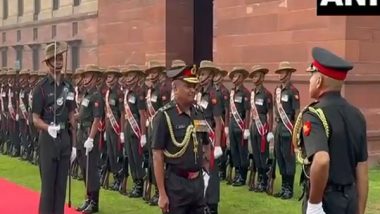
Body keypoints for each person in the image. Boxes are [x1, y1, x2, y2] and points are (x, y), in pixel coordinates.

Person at [293, 47, 368, 214]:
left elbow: (321, 160)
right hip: (350, 199)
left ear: (319, 81)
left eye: (312, 75)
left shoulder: (314, 115)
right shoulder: (357, 115)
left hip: (326, 201)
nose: (310, 80)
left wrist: (314, 205)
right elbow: (362, 168)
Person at [152, 65, 210, 214]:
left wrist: (207, 174)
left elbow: (205, 144)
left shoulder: (198, 114)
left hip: (197, 182)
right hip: (176, 183)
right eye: (188, 86)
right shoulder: (164, 116)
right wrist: (162, 194)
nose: (193, 90)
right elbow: (157, 155)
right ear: (175, 88)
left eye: (194, 86)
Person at [31, 42, 77, 214]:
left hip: (64, 137)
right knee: (48, 187)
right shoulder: (40, 88)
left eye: (60, 58)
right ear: (48, 62)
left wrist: (73, 145)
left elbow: (72, 116)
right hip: (48, 140)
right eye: (55, 58)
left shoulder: (69, 87)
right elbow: (35, 118)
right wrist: (47, 127)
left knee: (61, 187)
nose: (59, 61)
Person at [75, 65, 105, 213]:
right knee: (83, 168)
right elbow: (81, 115)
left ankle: (94, 202)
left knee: (91, 169)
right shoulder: (86, 95)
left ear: (95, 78)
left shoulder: (96, 96)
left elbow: (97, 119)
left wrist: (91, 138)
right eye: (84, 77)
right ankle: (88, 198)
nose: (85, 80)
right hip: (81, 133)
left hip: (89, 133)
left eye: (88, 77)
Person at [196, 60, 223, 214]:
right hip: (201, 135)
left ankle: (212, 206)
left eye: (204, 73)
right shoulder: (200, 93)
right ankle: (203, 201)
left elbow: (218, 121)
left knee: (212, 171)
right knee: (202, 169)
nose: (201, 76)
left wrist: (218, 144)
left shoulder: (215, 94)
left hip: (211, 138)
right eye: (200, 73)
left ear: (211, 75)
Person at [273, 61, 300, 199]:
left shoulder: (293, 91)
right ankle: (283, 186)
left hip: (288, 127)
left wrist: (295, 132)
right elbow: (274, 109)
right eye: (279, 72)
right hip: (278, 127)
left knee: (288, 158)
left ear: (289, 74)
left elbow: (297, 112)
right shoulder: (277, 90)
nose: (280, 75)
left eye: (283, 72)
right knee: (280, 157)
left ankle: (289, 188)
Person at [120, 64, 147, 198]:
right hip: (127, 128)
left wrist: (143, 134)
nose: (129, 78)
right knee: (130, 158)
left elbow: (142, 114)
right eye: (128, 75)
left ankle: (140, 185)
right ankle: (136, 181)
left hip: (136, 129)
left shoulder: (139, 92)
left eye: (131, 75)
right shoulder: (127, 93)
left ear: (137, 77)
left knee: (137, 158)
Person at [144, 60, 168, 204]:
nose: (152, 75)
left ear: (159, 73)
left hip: (159, 128)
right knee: (151, 160)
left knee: (159, 160)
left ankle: (160, 192)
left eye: (154, 72)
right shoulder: (151, 90)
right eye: (150, 73)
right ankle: (155, 190)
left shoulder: (163, 90)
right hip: (151, 128)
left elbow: (165, 112)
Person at [247, 65, 273, 192]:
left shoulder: (267, 94)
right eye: (253, 76)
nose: (254, 78)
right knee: (256, 153)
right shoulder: (252, 93)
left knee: (263, 154)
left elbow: (271, 113)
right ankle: (258, 179)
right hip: (253, 125)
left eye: (256, 76)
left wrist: (271, 131)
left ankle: (264, 181)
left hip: (262, 125)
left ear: (262, 78)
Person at [227, 67, 251, 187]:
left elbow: (247, 111)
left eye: (237, 76)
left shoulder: (246, 92)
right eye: (233, 76)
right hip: (232, 124)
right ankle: (237, 173)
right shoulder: (232, 92)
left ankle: (242, 175)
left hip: (241, 125)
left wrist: (246, 128)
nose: (234, 79)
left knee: (242, 151)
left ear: (241, 78)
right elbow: (228, 110)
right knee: (234, 150)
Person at [104, 66, 124, 191]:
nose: (108, 79)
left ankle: (120, 179)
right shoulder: (107, 93)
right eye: (107, 77)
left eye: (110, 76)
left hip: (117, 128)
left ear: (116, 78)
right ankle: (116, 177)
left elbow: (122, 113)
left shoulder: (119, 93)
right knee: (111, 154)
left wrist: (121, 131)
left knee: (118, 154)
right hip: (109, 127)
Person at [213, 67, 229, 181]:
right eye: (215, 75)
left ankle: (222, 170)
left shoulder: (224, 91)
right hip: (213, 122)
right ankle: (216, 168)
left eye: (218, 76)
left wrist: (227, 125)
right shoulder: (213, 90)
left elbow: (227, 110)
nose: (216, 78)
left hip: (221, 121)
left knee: (221, 146)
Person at [18, 69, 31, 160]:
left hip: (27, 116)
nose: (22, 79)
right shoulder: (22, 89)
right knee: (23, 134)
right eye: (21, 77)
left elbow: (28, 104)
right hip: (22, 116)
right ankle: (25, 152)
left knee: (27, 135)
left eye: (24, 76)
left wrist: (27, 116)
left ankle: (28, 153)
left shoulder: (28, 90)